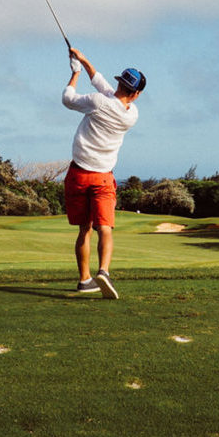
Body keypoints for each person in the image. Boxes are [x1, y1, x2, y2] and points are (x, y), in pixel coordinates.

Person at [62, 47, 145, 299]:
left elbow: (68, 99)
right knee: (105, 227)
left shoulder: (98, 103)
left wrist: (75, 73)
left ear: (121, 84)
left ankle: (85, 279)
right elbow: (104, 87)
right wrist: (85, 61)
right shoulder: (132, 115)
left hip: (78, 174)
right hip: (103, 178)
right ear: (136, 94)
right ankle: (104, 272)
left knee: (84, 230)